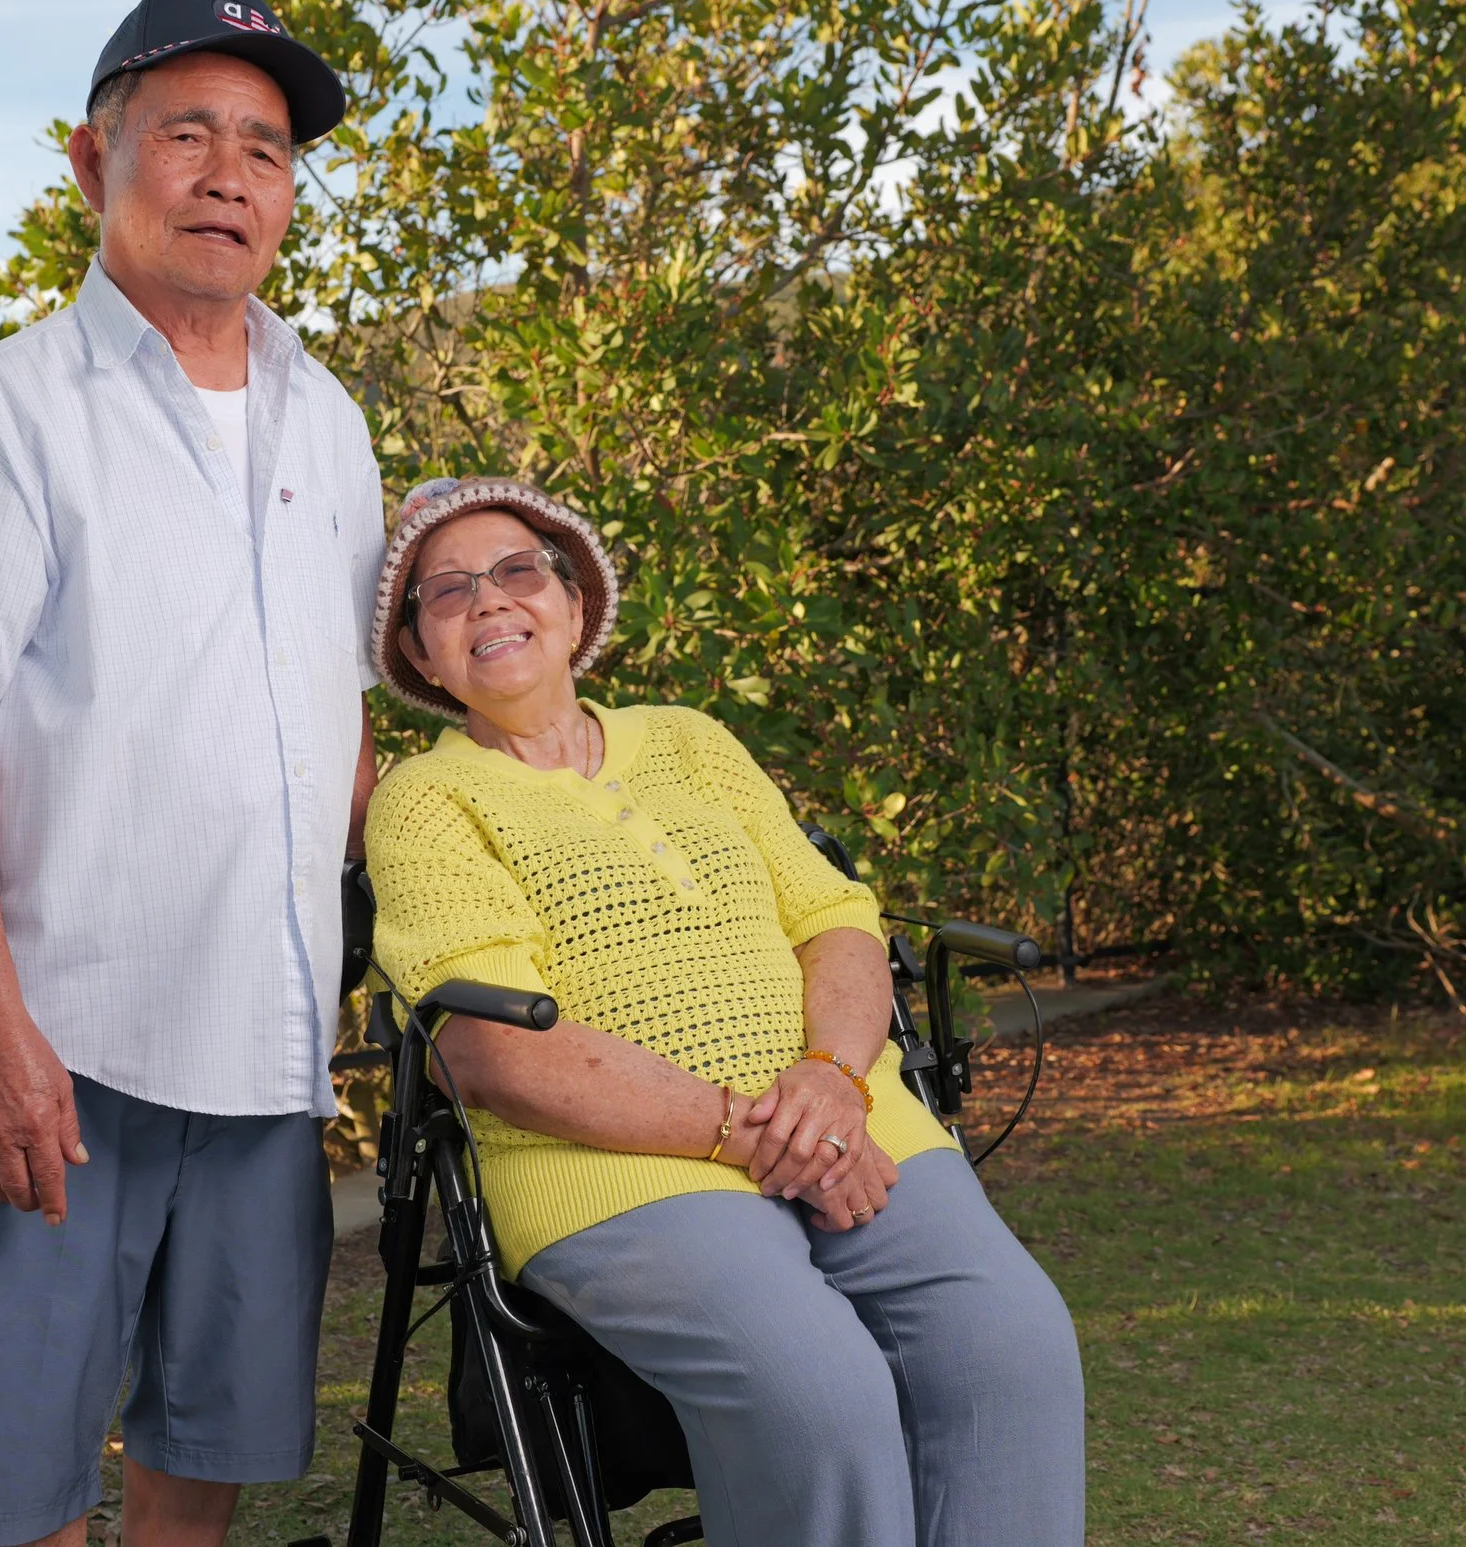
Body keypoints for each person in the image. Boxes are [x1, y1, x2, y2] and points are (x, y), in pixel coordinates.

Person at [0, 0, 382, 1547]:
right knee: (10, 1489)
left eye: (264, 149)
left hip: (264, 1047)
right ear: (91, 161)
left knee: (201, 1456)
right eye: (185, 133)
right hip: (54, 1045)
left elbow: (334, 724)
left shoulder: (333, 422)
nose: (228, 175)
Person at [362, 477, 1087, 1547]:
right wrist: (748, 1129)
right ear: (421, 655)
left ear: (572, 602)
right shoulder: (427, 799)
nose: (489, 601)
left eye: (517, 570)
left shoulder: (691, 741)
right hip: (611, 1165)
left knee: (1010, 1343)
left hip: (848, 1117)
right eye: (447, 591)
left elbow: (836, 920)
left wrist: (832, 1084)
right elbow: (490, 1048)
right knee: (817, 1387)